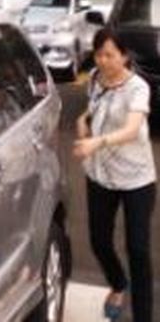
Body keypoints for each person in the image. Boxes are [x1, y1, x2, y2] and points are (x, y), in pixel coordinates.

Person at [73, 28, 155, 322]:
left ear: (124, 55)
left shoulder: (138, 88)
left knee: (138, 248)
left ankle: (143, 316)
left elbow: (132, 129)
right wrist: (83, 121)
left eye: (110, 54)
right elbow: (92, 110)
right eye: (99, 54)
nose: (104, 61)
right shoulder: (95, 79)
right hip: (100, 175)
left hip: (136, 179)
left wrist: (97, 142)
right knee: (99, 241)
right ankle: (118, 283)